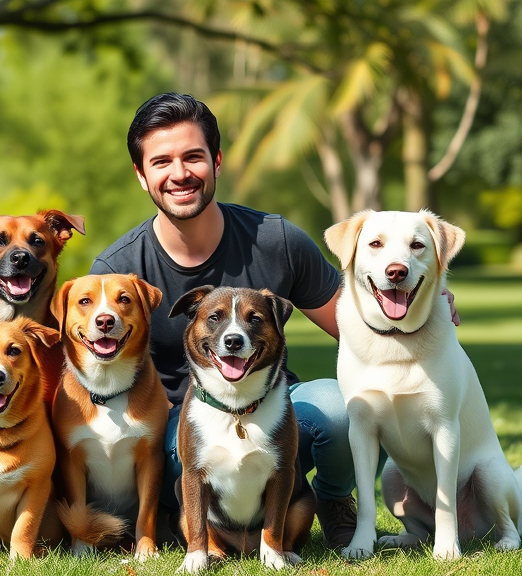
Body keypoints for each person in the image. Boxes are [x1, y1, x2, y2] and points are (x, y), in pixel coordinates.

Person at [88, 92, 359, 549]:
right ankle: (196, 526)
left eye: (193, 157)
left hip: (273, 406)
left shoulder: (276, 240)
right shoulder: (119, 271)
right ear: (141, 175)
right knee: (179, 448)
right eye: (161, 162)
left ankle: (333, 503)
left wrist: (419, 300)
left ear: (216, 161)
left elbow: (354, 325)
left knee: (338, 407)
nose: (179, 174)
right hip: (182, 428)